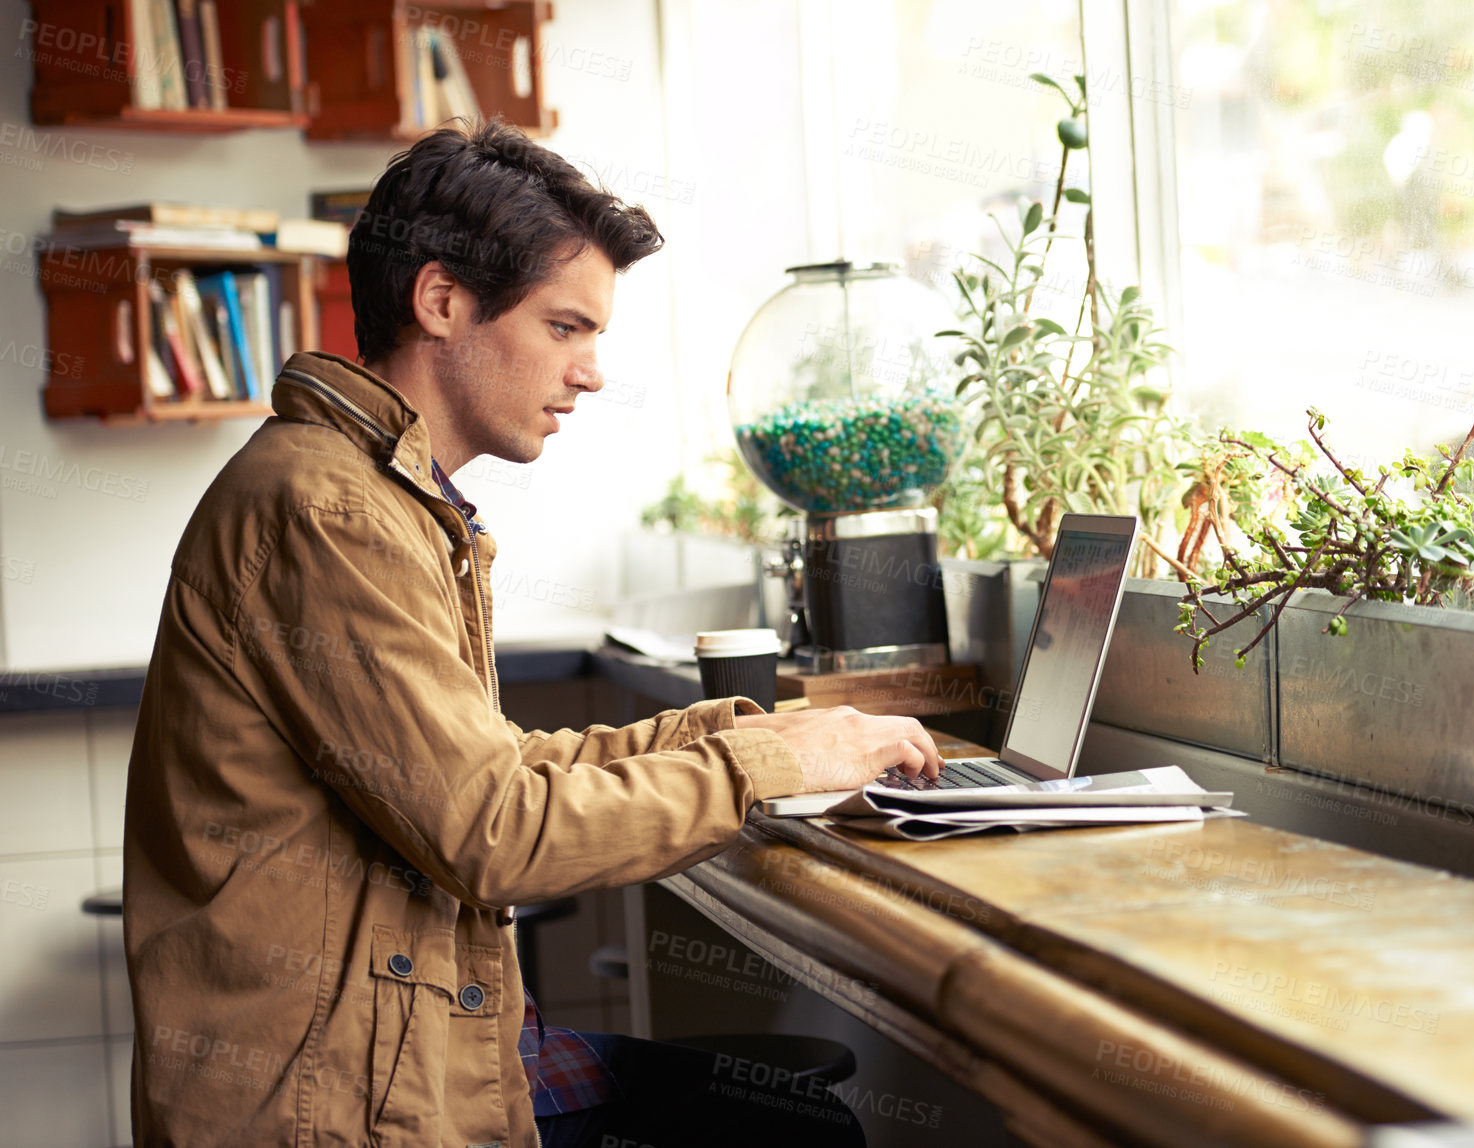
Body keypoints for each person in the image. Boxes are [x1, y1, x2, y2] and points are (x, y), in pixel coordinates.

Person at [123, 118, 942, 1148]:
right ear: (442, 301)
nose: (592, 372)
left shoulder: (374, 494)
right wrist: (764, 765)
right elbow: (496, 828)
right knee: (798, 1126)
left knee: (787, 1116)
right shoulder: (331, 513)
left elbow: (489, 767)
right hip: (323, 1108)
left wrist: (754, 742)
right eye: (566, 327)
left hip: (386, 1063)